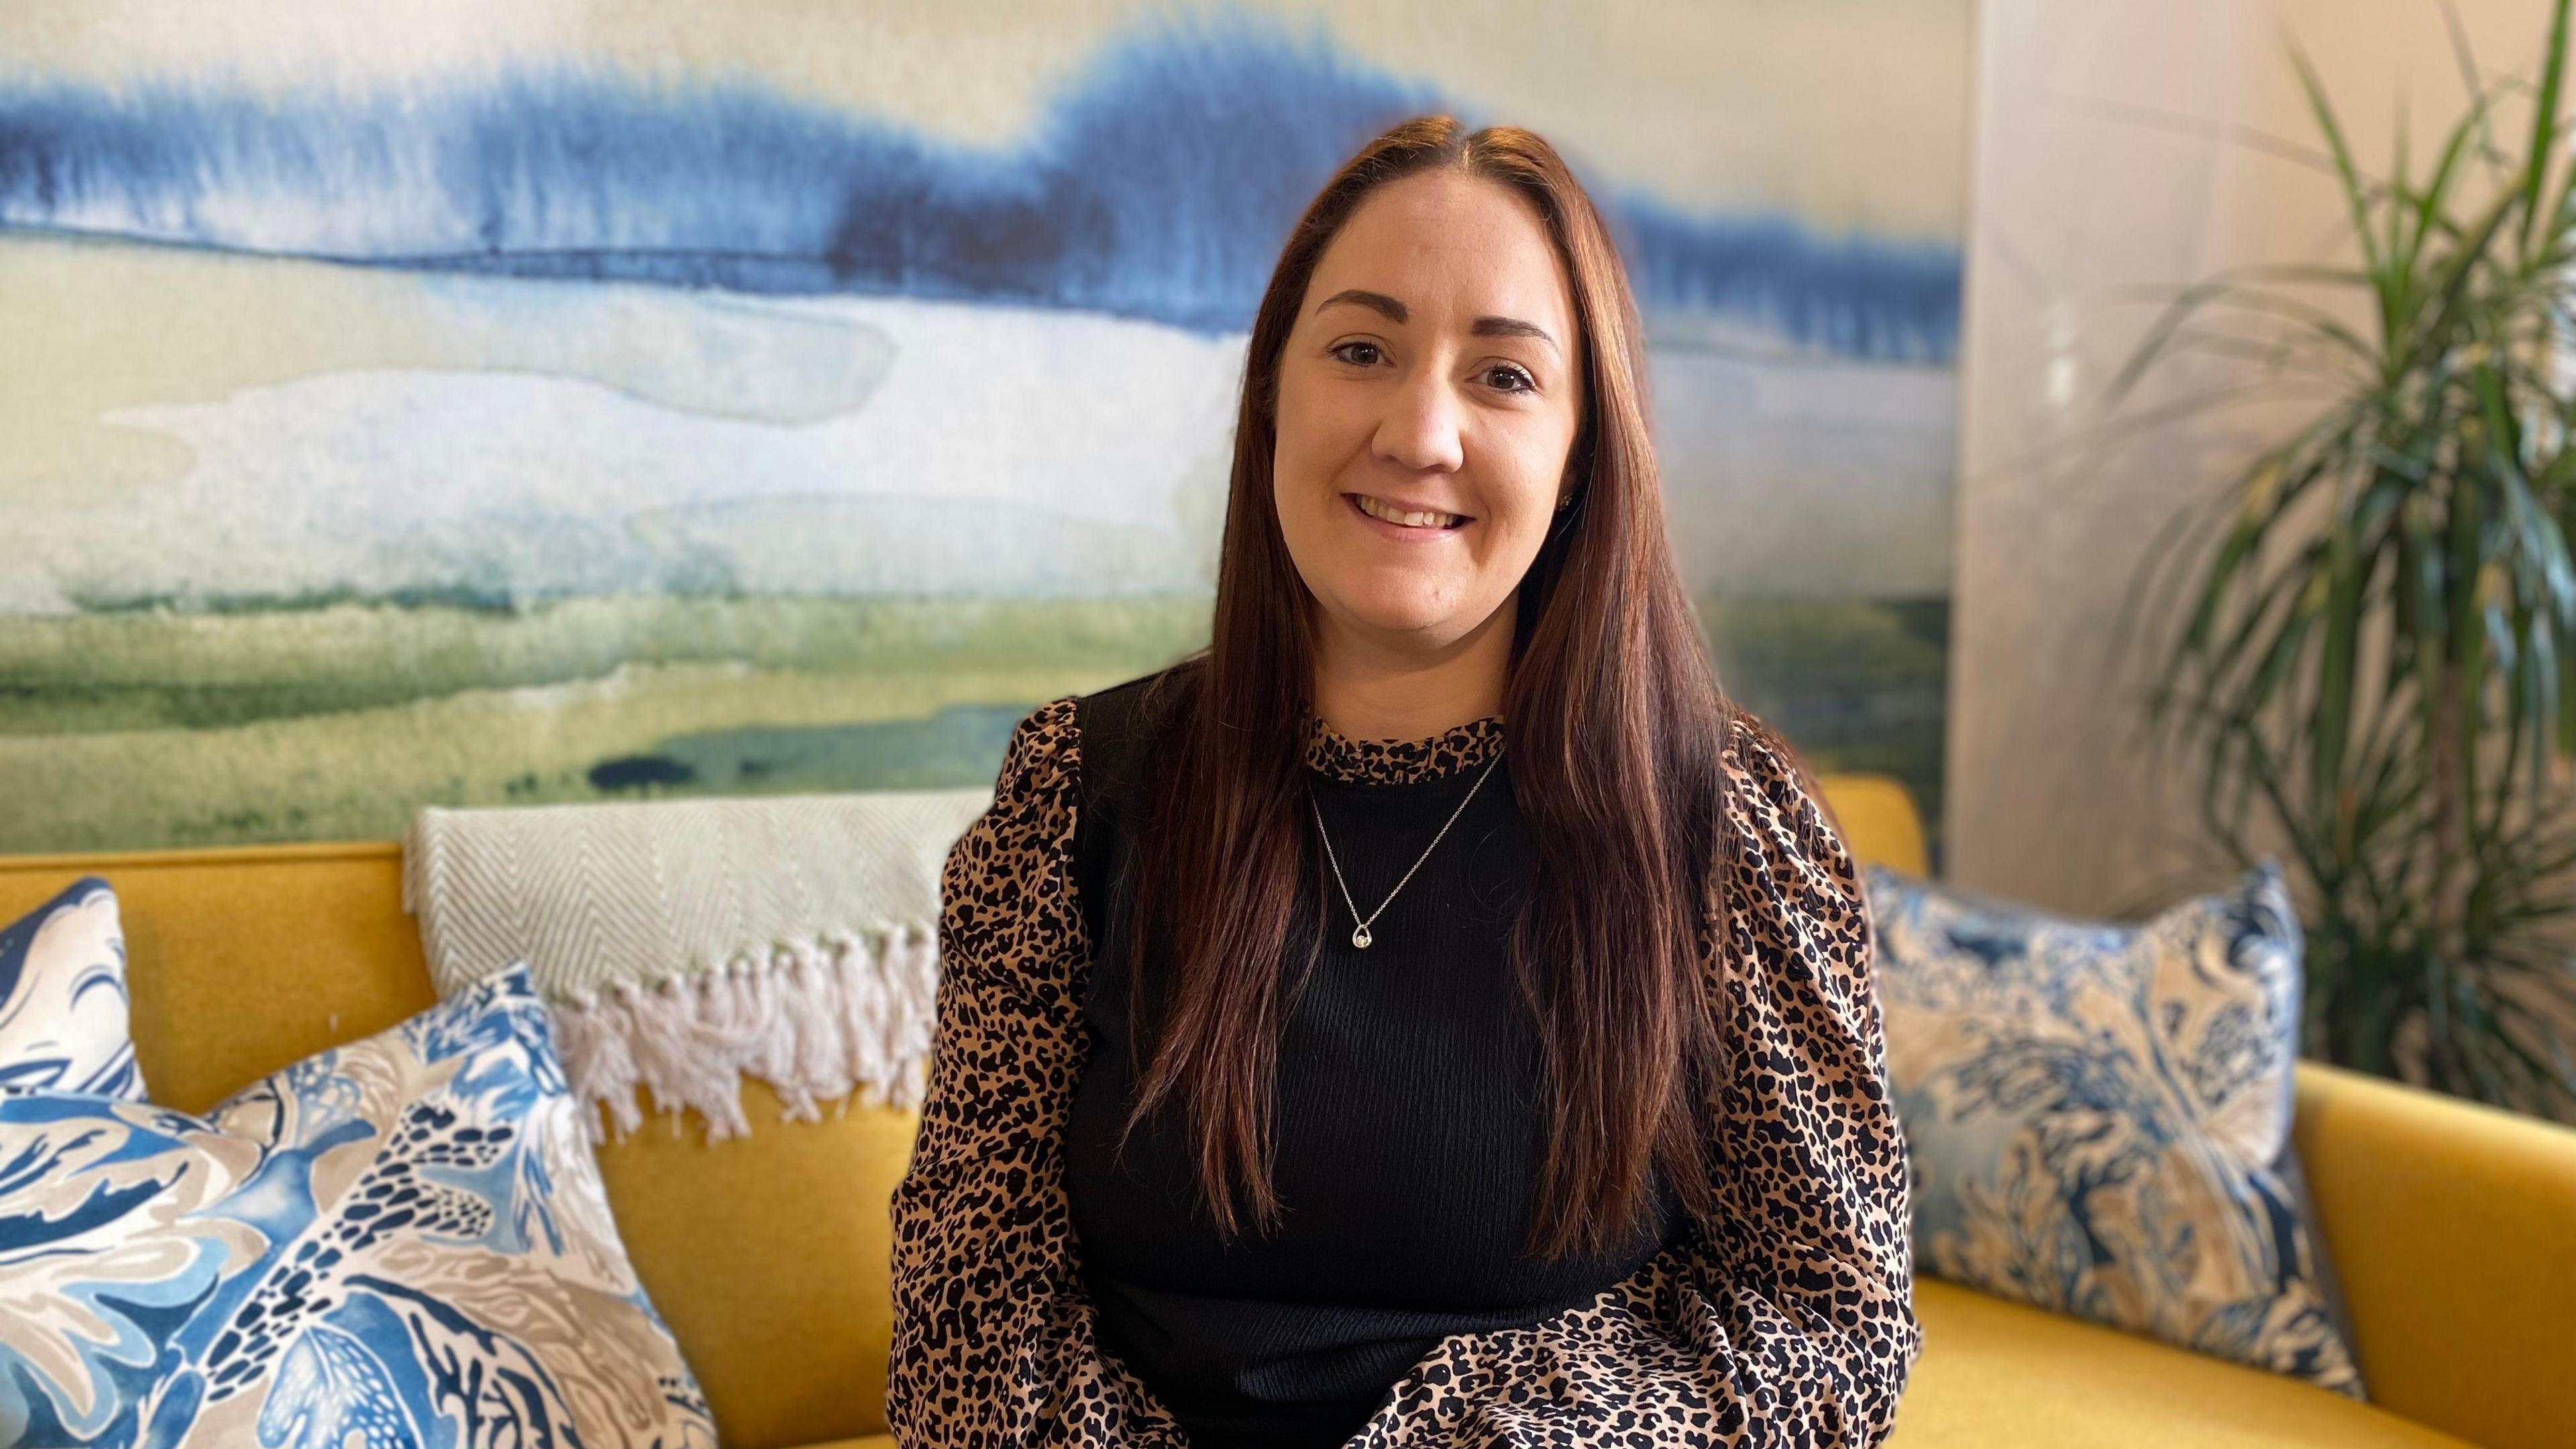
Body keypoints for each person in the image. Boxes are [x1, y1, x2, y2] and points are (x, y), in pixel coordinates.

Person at [887, 113, 1921, 1448]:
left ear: (1578, 460)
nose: (1419, 429)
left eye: (1502, 377)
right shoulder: (1070, 799)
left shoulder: (1727, 826)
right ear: (1275, 396)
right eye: (1363, 350)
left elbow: (1830, 1321)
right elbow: (974, 1298)